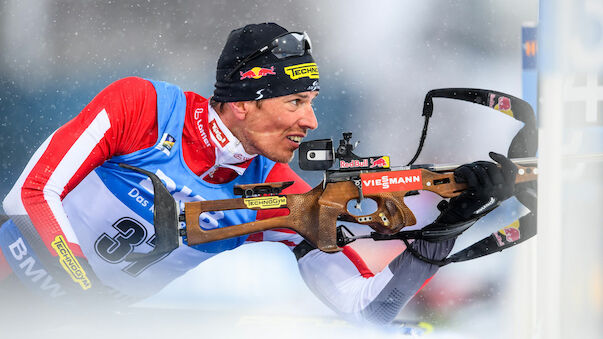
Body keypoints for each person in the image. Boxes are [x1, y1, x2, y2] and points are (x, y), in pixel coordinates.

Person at [0, 23, 517, 324]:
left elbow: (366, 309)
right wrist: (83, 292)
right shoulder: (144, 106)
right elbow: (29, 196)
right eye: (295, 100)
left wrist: (442, 233)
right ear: (244, 103)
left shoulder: (284, 194)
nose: (310, 120)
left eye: (313, 102)